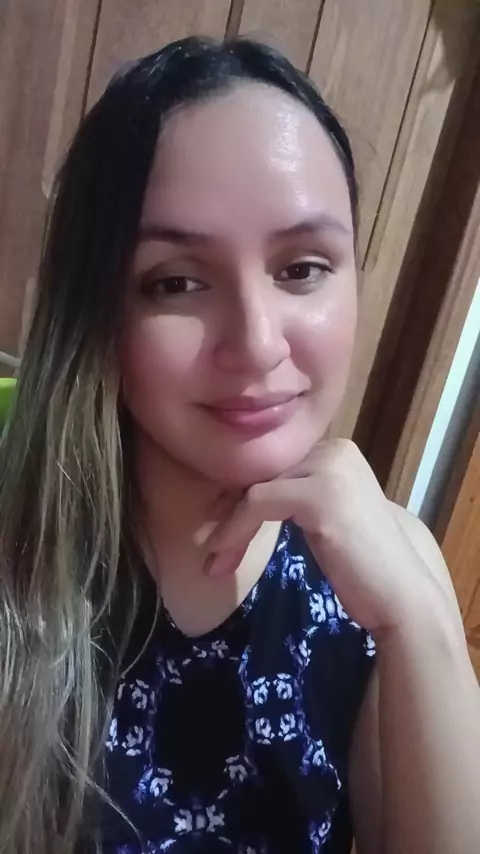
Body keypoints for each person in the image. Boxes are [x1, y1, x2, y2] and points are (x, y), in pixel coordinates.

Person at [0, 36, 478, 854]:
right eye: (178, 281)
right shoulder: (19, 557)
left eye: (302, 269)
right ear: (98, 311)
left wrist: (417, 625)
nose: (257, 344)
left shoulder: (395, 568)